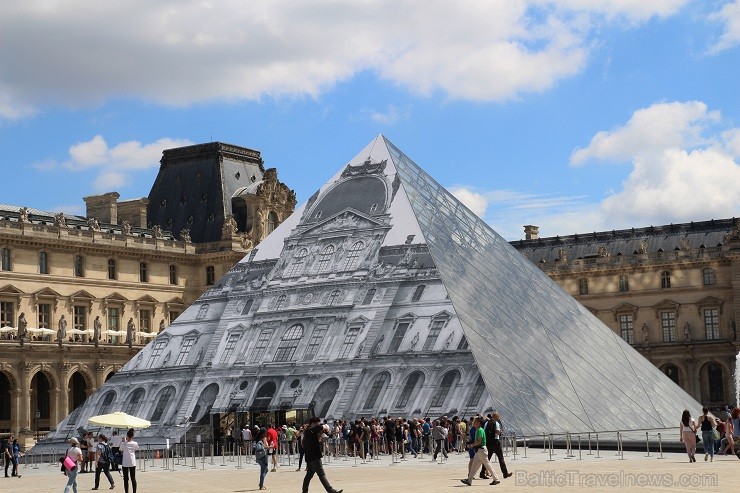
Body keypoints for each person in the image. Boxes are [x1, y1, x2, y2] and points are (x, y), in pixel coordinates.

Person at [302, 416, 342, 493]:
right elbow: (321, 427)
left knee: (308, 476)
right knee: (321, 474)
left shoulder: (307, 432)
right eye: (317, 424)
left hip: (310, 457)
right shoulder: (311, 430)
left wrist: (322, 433)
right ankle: (331, 491)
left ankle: (304, 491)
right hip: (314, 457)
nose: (318, 425)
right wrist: (324, 427)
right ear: (313, 424)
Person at [461, 416, 499, 486]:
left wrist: (471, 445)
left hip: (481, 450)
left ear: (478, 423)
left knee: (487, 465)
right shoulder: (478, 430)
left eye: (474, 422)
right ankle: (469, 480)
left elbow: (479, 441)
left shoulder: (480, 430)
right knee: (475, 466)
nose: (473, 423)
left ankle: (496, 479)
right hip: (479, 450)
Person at [486, 412, 512, 478]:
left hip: (488, 443)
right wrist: (500, 432)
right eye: (498, 416)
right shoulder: (496, 423)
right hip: (495, 442)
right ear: (496, 416)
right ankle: (505, 473)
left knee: (486, 459)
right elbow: (497, 432)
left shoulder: (487, 423)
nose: (499, 418)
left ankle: (482, 472)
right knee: (501, 458)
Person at [121, 428, 139, 493]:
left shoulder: (123, 444)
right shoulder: (135, 443)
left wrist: (124, 440)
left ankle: (126, 492)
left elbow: (121, 450)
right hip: (132, 462)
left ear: (127, 435)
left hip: (125, 463)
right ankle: (134, 492)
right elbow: (136, 449)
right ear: (132, 436)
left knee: (125, 479)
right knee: (133, 478)